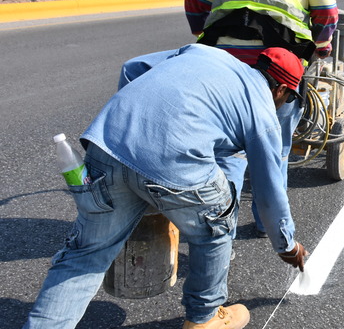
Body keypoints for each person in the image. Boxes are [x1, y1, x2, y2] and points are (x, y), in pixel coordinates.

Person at [24, 45, 309, 329]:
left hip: (107, 146)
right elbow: (269, 191)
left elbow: (133, 67)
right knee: (217, 223)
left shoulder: (204, 53)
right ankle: (204, 317)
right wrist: (286, 245)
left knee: (84, 255)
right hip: (175, 162)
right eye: (286, 99)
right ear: (281, 90)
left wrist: (144, 125)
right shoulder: (264, 115)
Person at [185, 0, 338, 237]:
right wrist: (321, 47)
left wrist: (208, 35)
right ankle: (267, 223)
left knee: (226, 149)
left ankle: (218, 228)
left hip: (222, 64)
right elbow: (326, 10)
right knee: (274, 150)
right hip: (276, 68)